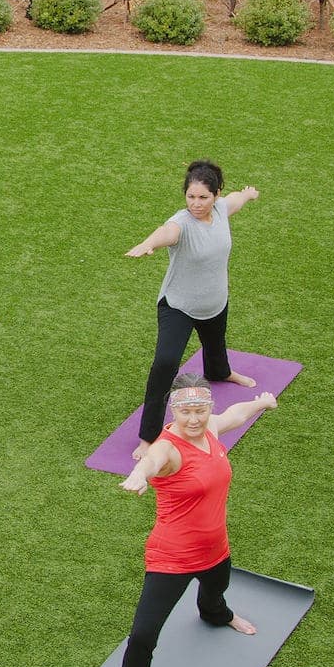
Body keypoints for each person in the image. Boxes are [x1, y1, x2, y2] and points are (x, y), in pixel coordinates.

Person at [104, 374, 274, 667]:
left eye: (200, 410)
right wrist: (137, 475)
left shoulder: (212, 426)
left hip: (216, 548)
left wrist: (261, 403)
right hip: (172, 558)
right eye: (186, 412)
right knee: (143, 637)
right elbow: (152, 461)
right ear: (174, 411)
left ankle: (217, 614)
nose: (194, 419)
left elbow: (236, 413)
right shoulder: (168, 448)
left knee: (215, 595)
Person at [125, 159, 261, 460]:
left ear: (216, 195)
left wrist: (249, 194)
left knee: (215, 344)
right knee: (165, 363)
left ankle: (220, 372)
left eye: (203, 197)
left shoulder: (222, 210)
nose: (196, 203)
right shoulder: (182, 222)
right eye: (190, 196)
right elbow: (167, 231)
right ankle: (148, 436)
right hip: (180, 306)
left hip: (215, 301)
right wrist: (149, 243)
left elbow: (236, 199)